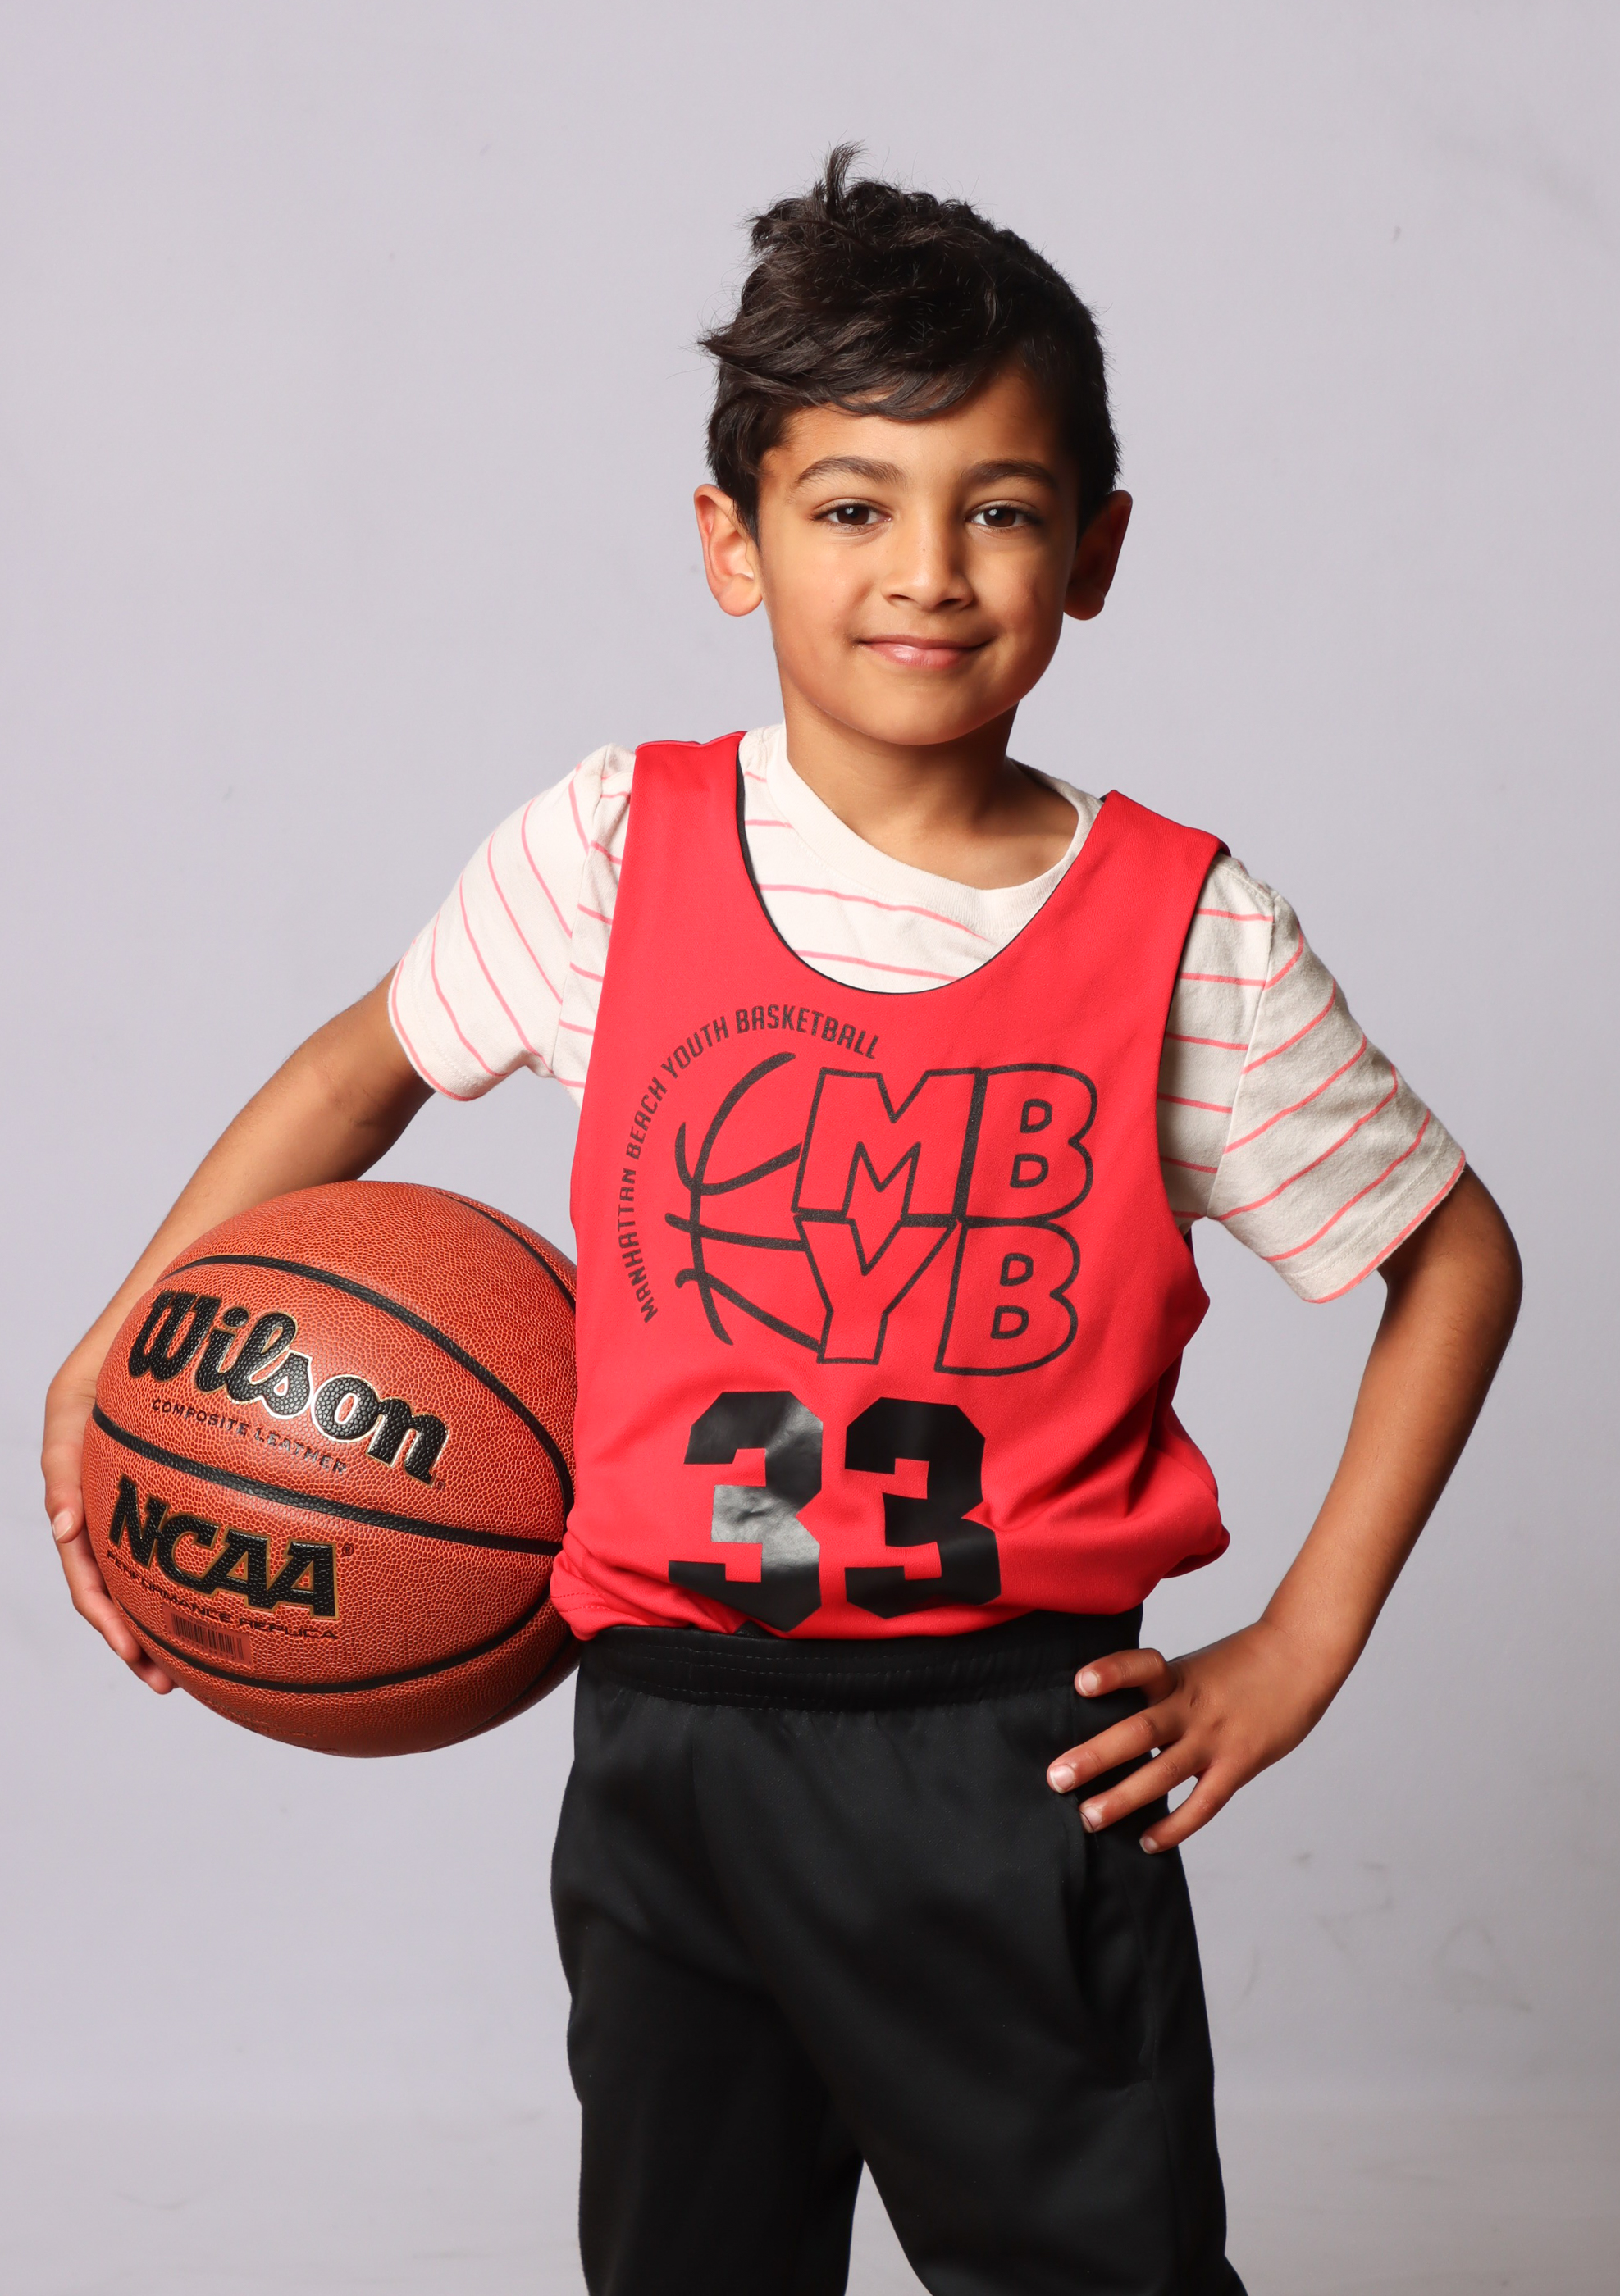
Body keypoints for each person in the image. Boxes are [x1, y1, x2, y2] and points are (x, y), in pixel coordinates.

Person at [42, 148, 1522, 2295]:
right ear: (732, 543)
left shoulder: (1184, 933)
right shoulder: (610, 852)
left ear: (1097, 551)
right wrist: (128, 1335)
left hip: (1007, 1758)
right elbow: (365, 1064)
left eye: (998, 509)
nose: (926, 570)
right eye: (850, 507)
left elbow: (1451, 1254)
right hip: (665, 1730)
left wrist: (1301, 1645)